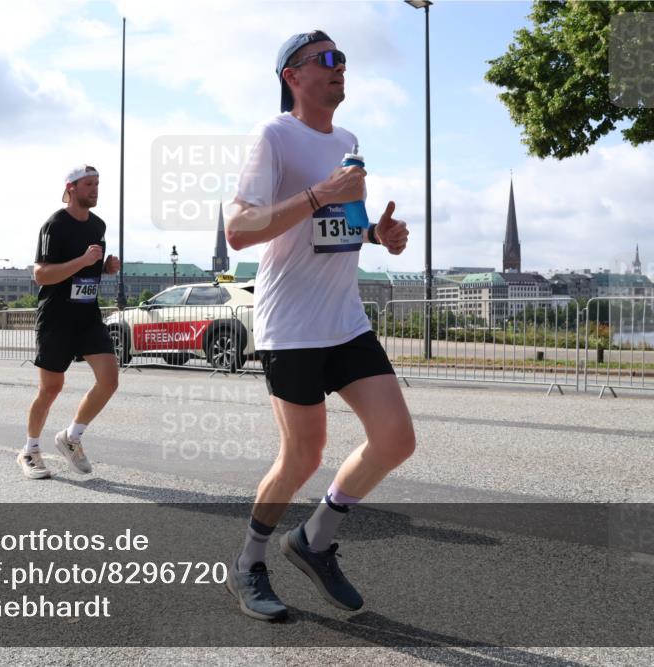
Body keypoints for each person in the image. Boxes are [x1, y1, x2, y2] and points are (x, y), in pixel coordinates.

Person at [224, 30, 414, 621]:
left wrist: (377, 235)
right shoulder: (273, 136)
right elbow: (239, 229)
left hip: (345, 318)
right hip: (291, 324)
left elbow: (342, 225)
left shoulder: (350, 139)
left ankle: (315, 539)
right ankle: (249, 563)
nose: (340, 69)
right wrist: (316, 194)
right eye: (326, 60)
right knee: (302, 457)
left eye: (344, 61)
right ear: (293, 76)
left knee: (396, 439)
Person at [18, 164, 121, 479]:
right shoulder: (55, 225)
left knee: (109, 380)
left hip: (88, 315)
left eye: (98, 184)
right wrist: (83, 261)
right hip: (57, 317)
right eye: (89, 184)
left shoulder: (98, 225)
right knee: (51, 388)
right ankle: (30, 450)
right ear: (72, 187)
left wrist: (105, 268)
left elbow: (87, 268)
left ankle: (71, 437)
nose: (95, 189)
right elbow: (41, 275)